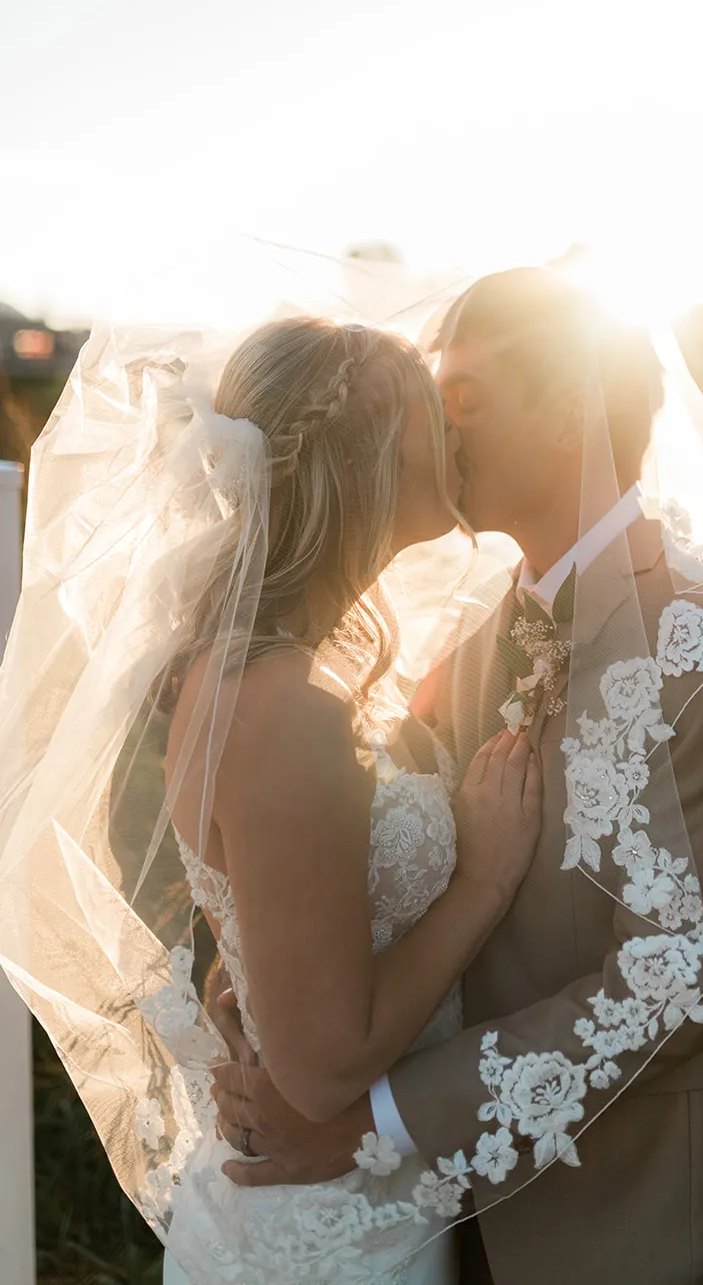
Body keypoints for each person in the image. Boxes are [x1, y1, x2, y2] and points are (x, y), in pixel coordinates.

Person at [212, 270, 703, 1284]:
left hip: (651, 1231)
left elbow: (670, 985)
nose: (440, 430)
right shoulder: (474, 642)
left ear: (571, 410)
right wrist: (267, 979)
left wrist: (375, 1122)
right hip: (451, 1232)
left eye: (470, 400)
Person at [0, 313, 542, 1284]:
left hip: (335, 1204)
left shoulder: (256, 671)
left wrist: (242, 986)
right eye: (429, 416)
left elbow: (272, 907)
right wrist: (484, 884)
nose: (454, 435)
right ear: (364, 459)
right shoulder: (289, 708)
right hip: (332, 1234)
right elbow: (325, 1069)